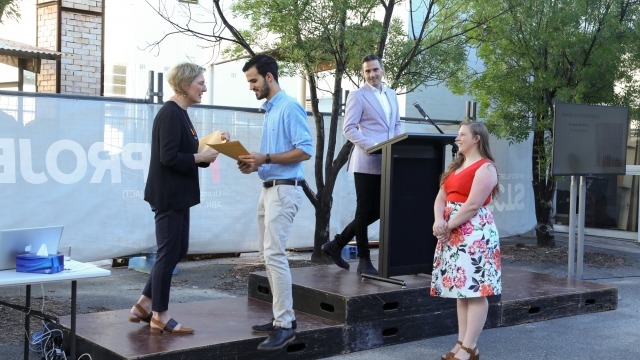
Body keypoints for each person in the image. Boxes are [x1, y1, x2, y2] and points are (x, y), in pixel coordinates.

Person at [129, 62, 227, 334]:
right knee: (168, 252)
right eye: (200, 83)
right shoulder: (171, 114)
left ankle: (143, 304)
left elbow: (190, 153)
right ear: (185, 84)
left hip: (179, 194)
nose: (204, 88)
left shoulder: (181, 113)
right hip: (169, 195)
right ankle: (160, 316)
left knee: (177, 249)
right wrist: (200, 156)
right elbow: (169, 157)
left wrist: (211, 147)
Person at [237, 55, 313, 351]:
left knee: (275, 255)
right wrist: (255, 164)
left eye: (253, 80)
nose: (251, 86)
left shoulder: (289, 106)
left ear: (269, 77)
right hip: (268, 188)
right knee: (268, 255)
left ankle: (285, 324)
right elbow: (271, 157)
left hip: (283, 191)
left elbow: (305, 150)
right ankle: (281, 316)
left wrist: (265, 158)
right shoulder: (270, 111)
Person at [322, 54, 403, 275]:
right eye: (367, 71)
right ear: (363, 73)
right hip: (367, 160)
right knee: (364, 209)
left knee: (378, 210)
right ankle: (364, 260)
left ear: (382, 69)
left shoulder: (392, 94)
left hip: (387, 160)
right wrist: (374, 145)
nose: (372, 74)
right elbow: (349, 128)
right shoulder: (358, 96)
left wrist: (393, 145)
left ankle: (336, 244)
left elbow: (396, 124)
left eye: (375, 70)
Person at [430, 121, 501, 360]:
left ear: (477, 138)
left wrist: (446, 226)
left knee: (475, 290)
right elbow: (441, 197)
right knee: (461, 290)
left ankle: (470, 348)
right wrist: (438, 221)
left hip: (473, 234)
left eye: (462, 135)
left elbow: (472, 205)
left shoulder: (486, 168)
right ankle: (463, 344)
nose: (457, 138)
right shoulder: (456, 166)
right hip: (452, 231)